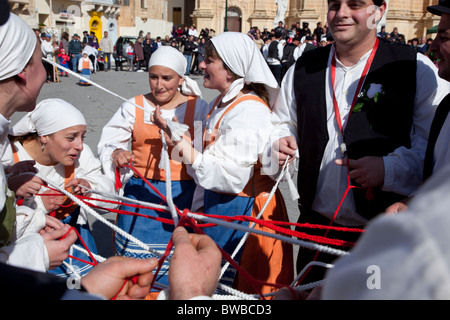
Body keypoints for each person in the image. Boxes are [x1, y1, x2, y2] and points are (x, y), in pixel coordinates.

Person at [269, 0, 450, 284]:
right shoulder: (304, 67)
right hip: (316, 230)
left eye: (354, 4)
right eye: (334, 5)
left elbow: (436, 150)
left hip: (381, 236)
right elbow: (279, 122)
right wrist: (279, 140)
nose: (341, 13)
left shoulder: (415, 68)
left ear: (379, 10)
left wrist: (387, 169)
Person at [152, 32, 294, 296]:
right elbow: (204, 160)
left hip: (247, 213)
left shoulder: (247, 110)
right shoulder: (221, 103)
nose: (201, 65)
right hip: (223, 206)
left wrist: (175, 138)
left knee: (238, 292)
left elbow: (227, 177)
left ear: (230, 71)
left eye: (208, 61)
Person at [97, 45, 209, 294]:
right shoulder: (134, 105)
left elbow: (204, 154)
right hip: (141, 193)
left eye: (167, 78)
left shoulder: (197, 108)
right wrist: (116, 153)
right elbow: (109, 141)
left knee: (177, 259)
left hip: (184, 194)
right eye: (153, 76)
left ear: (181, 79)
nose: (159, 85)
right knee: (137, 264)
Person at [3, 98, 118, 278]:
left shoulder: (80, 155)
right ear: (44, 136)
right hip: (26, 248)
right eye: (71, 138)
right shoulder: (8, 156)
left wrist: (91, 187)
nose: (79, 146)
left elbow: (111, 200)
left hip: (75, 238)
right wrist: (33, 201)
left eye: (82, 137)